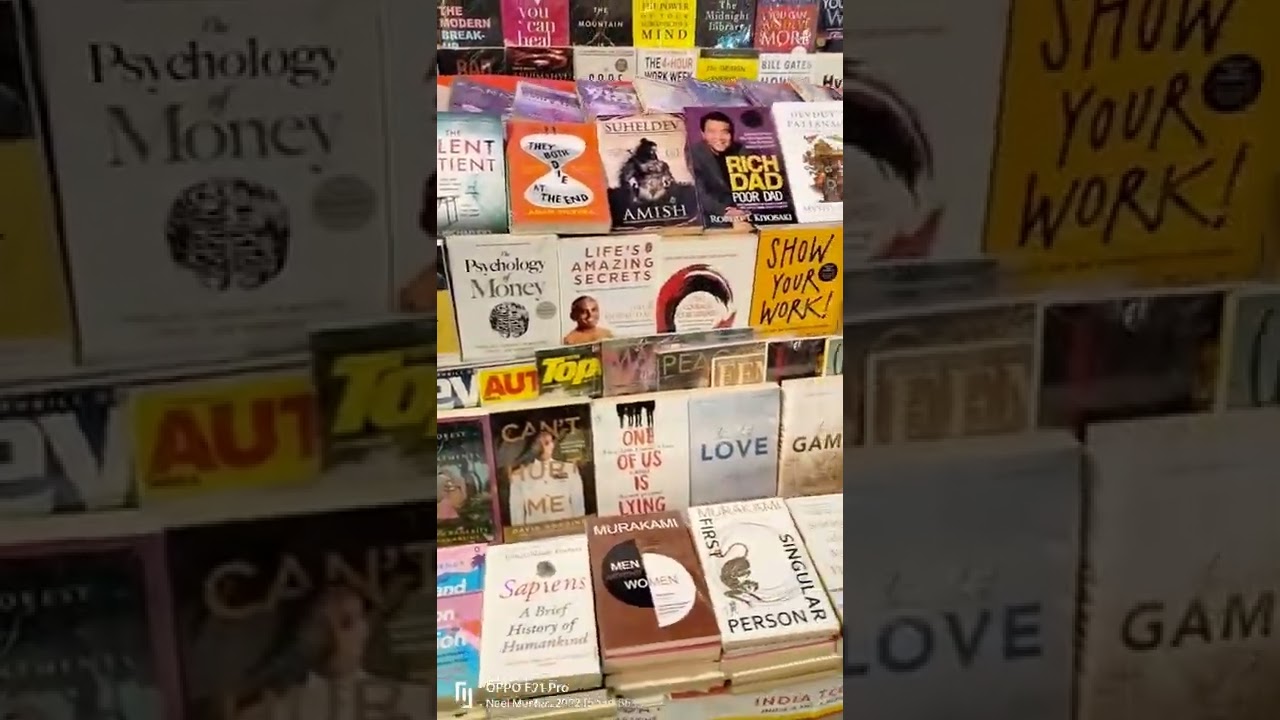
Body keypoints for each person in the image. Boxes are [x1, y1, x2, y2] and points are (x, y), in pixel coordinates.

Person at [235, 584, 429, 720]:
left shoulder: (411, 703)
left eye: (346, 623)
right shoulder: (273, 712)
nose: (334, 636)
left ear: (365, 629)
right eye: (321, 626)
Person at [686, 111, 750, 229]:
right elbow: (698, 193)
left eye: (725, 132)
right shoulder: (694, 153)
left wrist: (745, 210)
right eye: (712, 132)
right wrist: (725, 211)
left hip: (743, 212)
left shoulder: (743, 151)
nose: (719, 138)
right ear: (703, 134)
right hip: (712, 215)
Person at [507, 430, 584, 526]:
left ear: (553, 445)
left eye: (547, 443)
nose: (543, 448)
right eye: (539, 444)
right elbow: (517, 513)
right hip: (535, 535)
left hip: (565, 531)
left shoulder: (570, 469)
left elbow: (578, 506)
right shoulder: (519, 476)